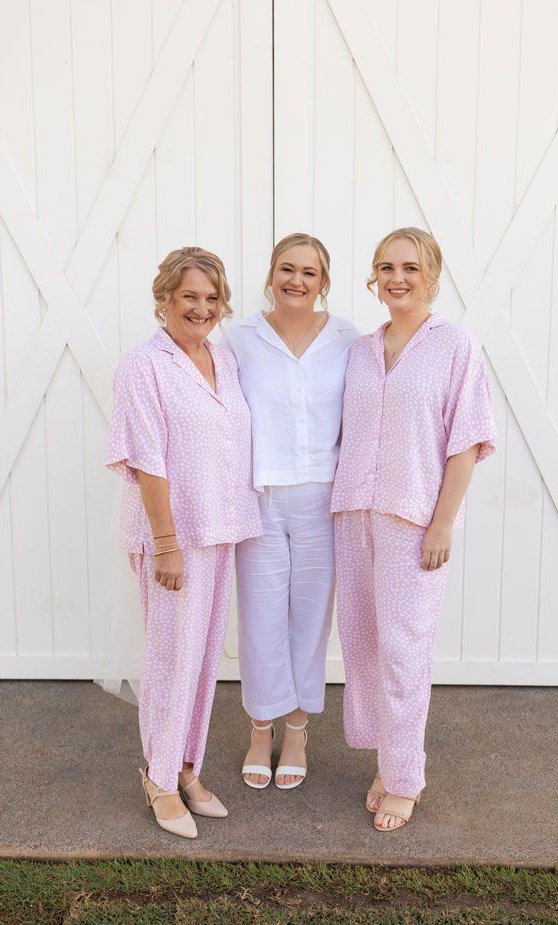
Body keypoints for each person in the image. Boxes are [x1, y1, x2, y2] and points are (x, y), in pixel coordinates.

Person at [331, 228, 496, 832]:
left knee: (405, 651)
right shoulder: (360, 349)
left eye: (409, 266)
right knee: (365, 645)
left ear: (432, 273)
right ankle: (386, 761)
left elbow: (467, 442)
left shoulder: (456, 346)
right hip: (352, 513)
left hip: (413, 519)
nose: (396, 277)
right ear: (374, 278)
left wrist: (442, 523)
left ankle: (405, 779)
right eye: (384, 267)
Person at [105, 246, 261, 838]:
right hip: (173, 538)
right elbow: (147, 461)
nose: (201, 308)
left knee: (199, 664)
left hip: (222, 531)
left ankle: (187, 767)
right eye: (189, 296)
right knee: (171, 662)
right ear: (165, 297)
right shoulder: (143, 366)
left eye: (211, 298)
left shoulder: (224, 358)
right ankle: (159, 779)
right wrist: (166, 543)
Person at [222, 233, 359, 790]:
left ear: (323, 281)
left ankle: (297, 729)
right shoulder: (240, 339)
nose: (296, 280)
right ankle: (260, 726)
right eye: (286, 268)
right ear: (270, 275)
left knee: (309, 620)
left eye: (308, 271)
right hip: (259, 497)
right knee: (259, 619)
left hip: (323, 500)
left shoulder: (350, 339)